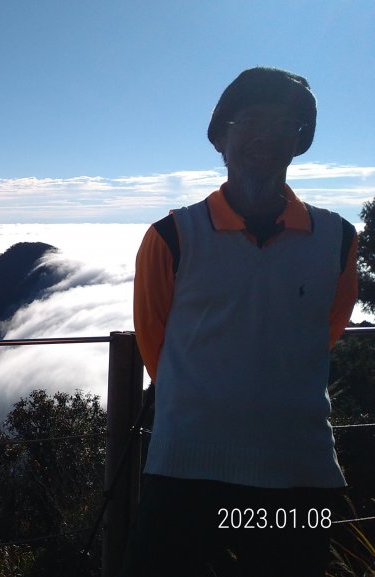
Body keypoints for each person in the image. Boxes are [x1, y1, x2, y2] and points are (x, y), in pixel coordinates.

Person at [121, 67, 359, 576]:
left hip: (296, 476)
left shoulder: (336, 240)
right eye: (249, 119)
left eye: (285, 123)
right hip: (186, 473)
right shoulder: (171, 238)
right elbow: (154, 342)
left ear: (301, 141)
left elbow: (323, 331)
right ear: (221, 138)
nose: (266, 135)